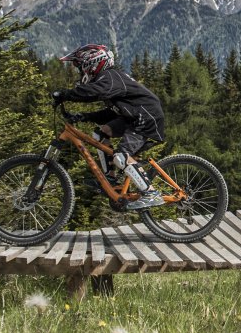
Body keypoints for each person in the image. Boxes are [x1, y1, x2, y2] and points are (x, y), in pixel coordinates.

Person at [51, 44, 167, 210]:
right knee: (101, 133)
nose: (80, 72)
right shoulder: (109, 79)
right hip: (134, 116)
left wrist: (65, 94)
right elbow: (112, 112)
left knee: (121, 156)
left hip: (147, 117)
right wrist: (83, 116)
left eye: (80, 67)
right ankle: (110, 178)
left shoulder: (109, 76)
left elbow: (94, 92)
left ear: (91, 63)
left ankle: (151, 193)